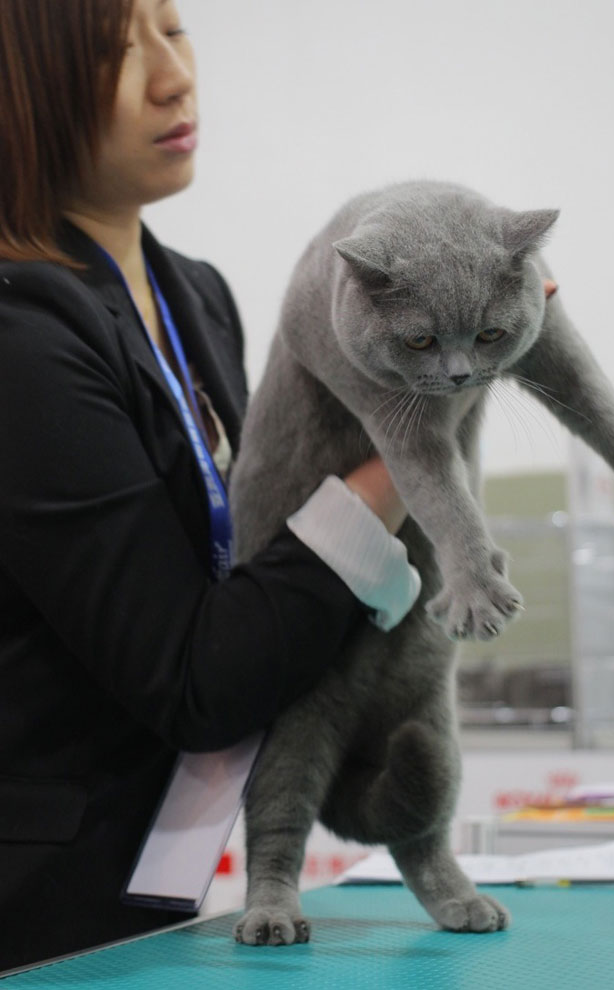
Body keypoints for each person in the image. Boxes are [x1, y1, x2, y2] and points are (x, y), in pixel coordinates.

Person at [0, 0, 420, 971]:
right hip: (40, 925)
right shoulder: (19, 336)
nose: (172, 76)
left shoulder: (195, 293)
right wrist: (412, 440)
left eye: (175, 29)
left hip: (162, 901)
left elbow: (262, 562)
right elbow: (197, 678)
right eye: (115, 50)